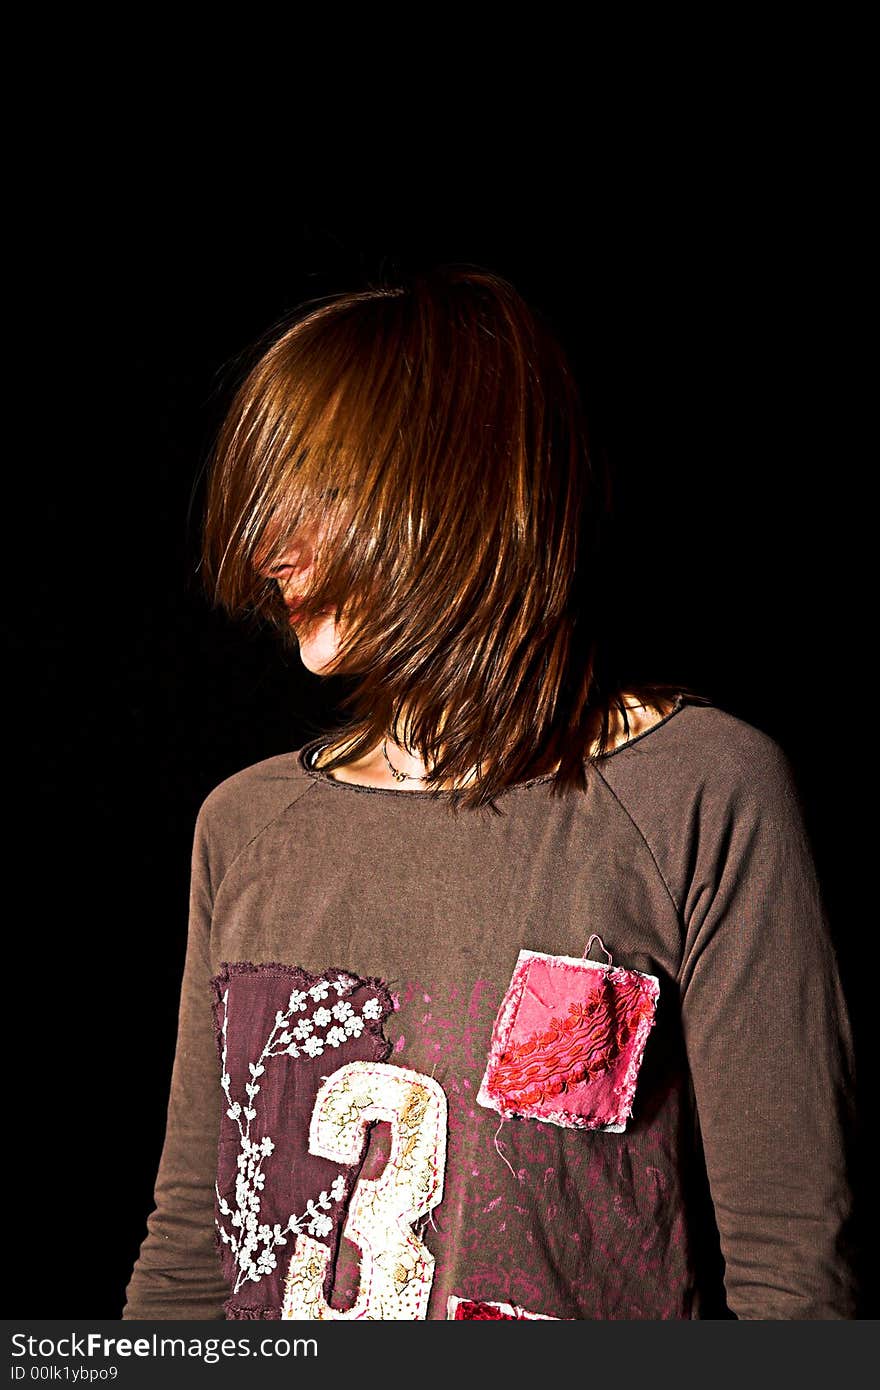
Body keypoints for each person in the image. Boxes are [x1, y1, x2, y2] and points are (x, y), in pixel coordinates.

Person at [122, 264, 858, 1321]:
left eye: (318, 493)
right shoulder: (245, 827)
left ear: (457, 484)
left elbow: (795, 1277)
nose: (266, 547)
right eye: (259, 499)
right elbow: (192, 1247)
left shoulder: (701, 792)